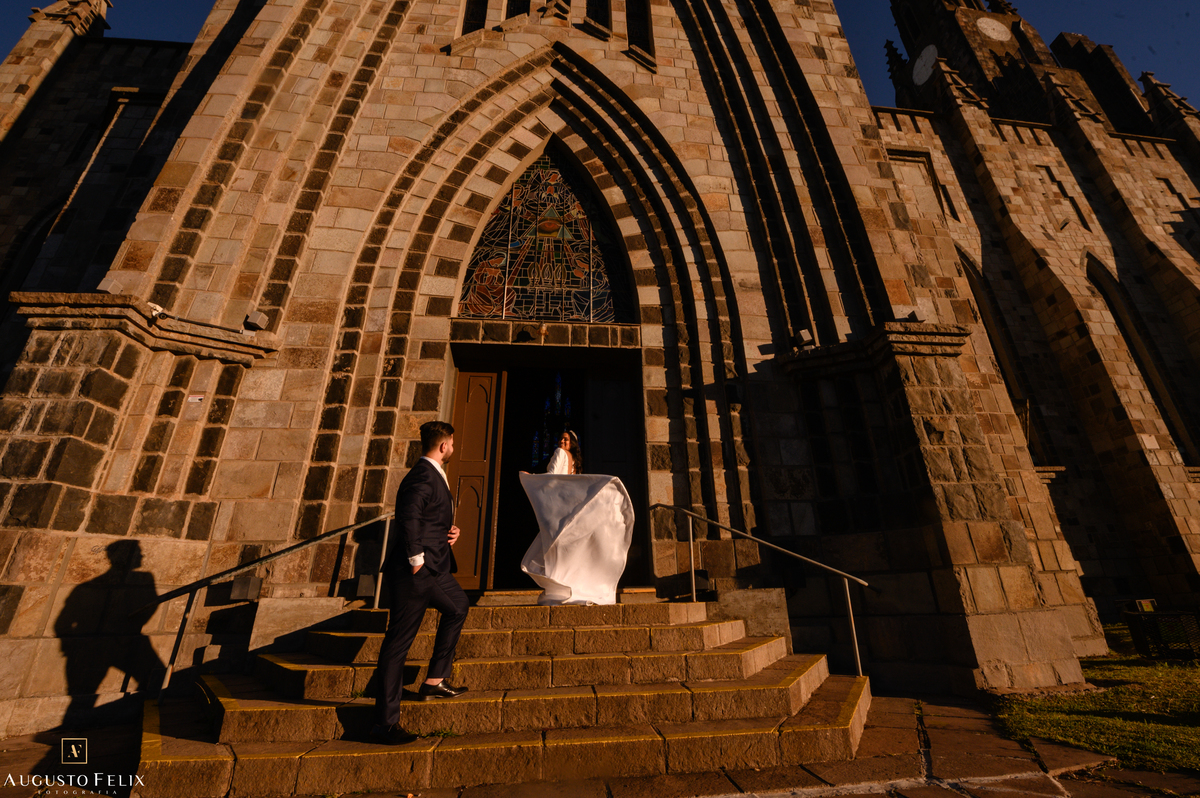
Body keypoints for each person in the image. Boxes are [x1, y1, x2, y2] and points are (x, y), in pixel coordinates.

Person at [372, 420, 469, 745]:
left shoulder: (433, 474)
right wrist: (415, 558)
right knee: (398, 642)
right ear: (444, 445)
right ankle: (384, 723)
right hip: (418, 572)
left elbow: (427, 518)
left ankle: (434, 681)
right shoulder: (423, 475)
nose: (453, 448)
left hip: (435, 569)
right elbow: (409, 515)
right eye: (452, 443)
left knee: (458, 606)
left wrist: (448, 533)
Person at [519, 429, 634, 605]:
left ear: (572, 443)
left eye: (566, 439)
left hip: (555, 504)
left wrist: (531, 478)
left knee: (553, 543)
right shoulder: (574, 463)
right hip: (566, 506)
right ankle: (567, 585)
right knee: (562, 545)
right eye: (561, 439)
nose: (562, 442)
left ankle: (558, 589)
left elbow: (552, 478)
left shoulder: (559, 453)